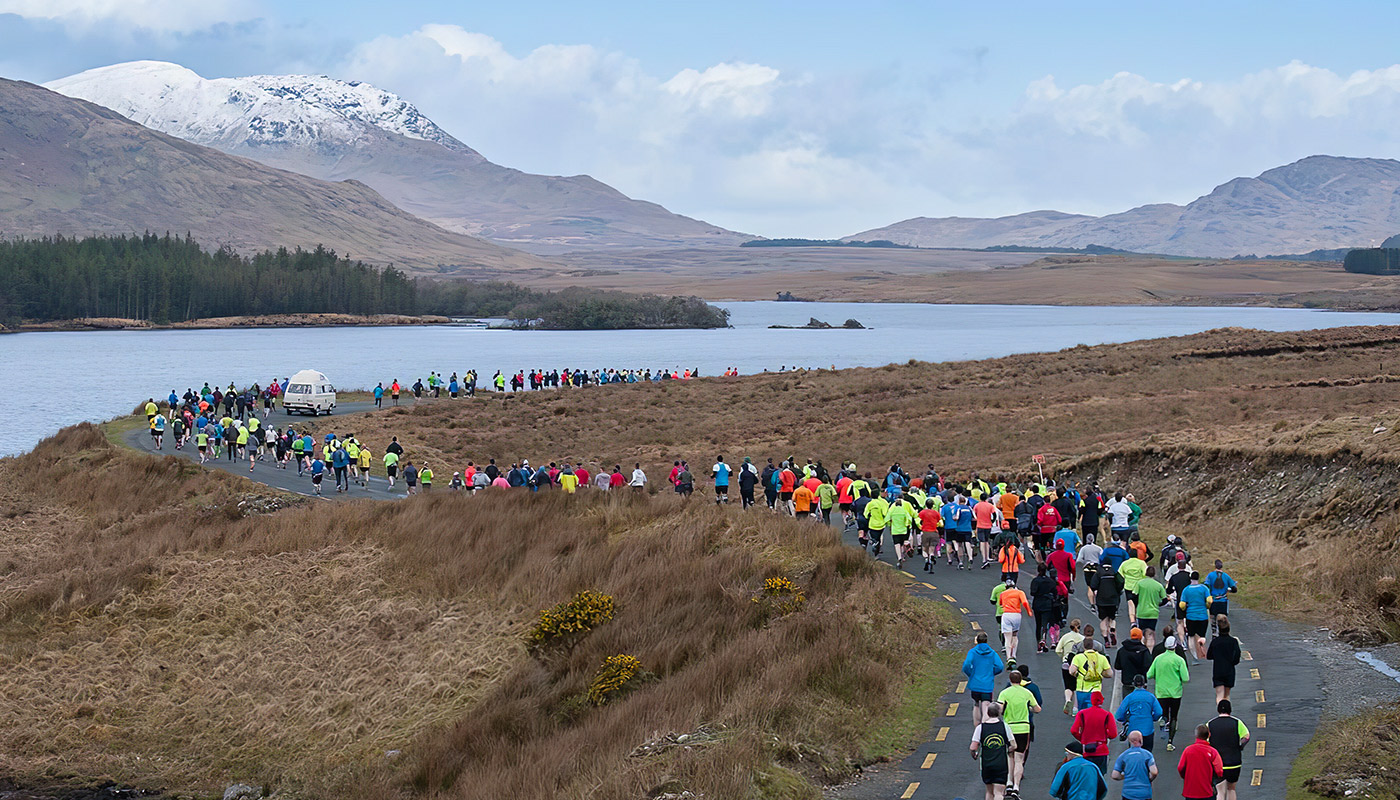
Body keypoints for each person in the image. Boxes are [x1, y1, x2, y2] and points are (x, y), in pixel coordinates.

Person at [998, 670, 1041, 795]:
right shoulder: (1027, 692)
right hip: (1023, 727)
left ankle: (1009, 782)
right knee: (1019, 758)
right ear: (1021, 679)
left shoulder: (1005, 693)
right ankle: (1017, 785)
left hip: (1009, 727)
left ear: (1010, 680)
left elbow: (1000, 709)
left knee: (1009, 755)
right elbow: (1037, 709)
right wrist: (1029, 708)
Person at [1145, 636, 1190, 751]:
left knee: (1164, 713)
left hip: (1161, 692)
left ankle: (1163, 720)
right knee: (1174, 716)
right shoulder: (1179, 660)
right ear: (1175, 646)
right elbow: (1185, 678)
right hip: (1175, 692)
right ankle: (1170, 742)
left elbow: (1149, 674)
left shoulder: (1158, 659)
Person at [1206, 700, 1251, 800]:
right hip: (1234, 762)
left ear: (1218, 710)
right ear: (1230, 710)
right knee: (1231, 789)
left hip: (1217, 763)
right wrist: (1240, 747)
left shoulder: (1210, 724)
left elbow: (1205, 741)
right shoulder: (1236, 722)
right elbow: (1246, 736)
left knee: (1220, 790)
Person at [970, 701, 1015, 800]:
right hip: (1001, 764)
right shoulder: (1005, 726)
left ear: (988, 713)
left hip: (986, 764)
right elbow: (1013, 745)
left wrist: (974, 754)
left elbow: (973, 747)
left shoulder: (980, 728)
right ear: (999, 713)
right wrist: (1008, 750)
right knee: (999, 792)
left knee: (989, 791)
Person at [961, 632, 1005, 726]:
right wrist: (992, 672)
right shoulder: (992, 653)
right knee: (986, 705)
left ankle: (977, 727)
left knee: (976, 704)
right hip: (987, 684)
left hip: (975, 683)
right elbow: (1000, 666)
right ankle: (985, 726)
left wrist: (971, 674)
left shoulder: (972, 652)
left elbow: (966, 664)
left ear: (977, 641)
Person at [1070, 689, 1118, 774]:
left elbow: (1074, 730)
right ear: (1102, 701)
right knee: (1100, 775)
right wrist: (1105, 735)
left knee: (1087, 774)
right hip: (1101, 750)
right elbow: (1113, 734)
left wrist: (1082, 738)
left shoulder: (1082, 714)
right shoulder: (1107, 715)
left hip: (1087, 750)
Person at [1116, 674, 1164, 752]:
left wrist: (1126, 720)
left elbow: (1119, 715)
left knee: (1133, 753)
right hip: (1147, 729)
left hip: (1133, 729)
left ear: (1133, 684)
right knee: (1147, 753)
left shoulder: (1129, 697)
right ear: (1144, 684)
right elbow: (1159, 712)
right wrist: (1153, 718)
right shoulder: (1150, 697)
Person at [1177, 725, 1224, 800]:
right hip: (1207, 791)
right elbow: (1219, 770)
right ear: (1209, 735)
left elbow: (1180, 767)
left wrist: (1185, 776)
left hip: (1190, 790)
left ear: (1196, 735)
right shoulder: (1212, 751)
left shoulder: (1188, 750)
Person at [1111, 730, 1159, 800]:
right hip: (1144, 794)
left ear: (1130, 741)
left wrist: (1124, 776)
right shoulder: (1147, 755)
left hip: (1128, 794)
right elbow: (1154, 772)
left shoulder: (1123, 756)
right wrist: (1149, 779)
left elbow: (1114, 775)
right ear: (1141, 740)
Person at [998, 578, 1032, 669]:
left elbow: (1000, 603)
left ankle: (1009, 657)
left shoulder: (1003, 594)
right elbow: (1024, 602)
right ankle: (1014, 655)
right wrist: (1029, 612)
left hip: (1006, 615)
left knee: (1007, 638)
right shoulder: (1020, 592)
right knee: (1014, 635)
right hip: (1016, 615)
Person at [1206, 616, 1242, 703]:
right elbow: (1237, 656)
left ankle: (1220, 712)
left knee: (1219, 694)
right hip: (1229, 670)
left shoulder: (1215, 641)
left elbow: (1209, 656)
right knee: (1227, 694)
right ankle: (1226, 712)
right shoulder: (1233, 641)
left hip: (1218, 670)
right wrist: (1233, 662)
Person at [1070, 640, 1112, 712]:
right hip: (1096, 690)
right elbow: (1110, 673)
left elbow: (1072, 671)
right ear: (1093, 646)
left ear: (1083, 647)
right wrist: (1101, 673)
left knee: (1083, 713)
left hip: (1082, 689)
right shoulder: (1101, 658)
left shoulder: (1078, 657)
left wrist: (1076, 674)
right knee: (1094, 712)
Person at [1179, 572, 1211, 662]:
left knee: (1191, 636)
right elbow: (1209, 600)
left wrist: (1184, 608)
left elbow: (1182, 604)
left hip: (1190, 616)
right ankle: (1201, 650)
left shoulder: (1186, 589)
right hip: (1202, 616)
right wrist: (1207, 606)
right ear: (1198, 578)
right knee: (1202, 635)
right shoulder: (1204, 588)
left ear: (1190, 578)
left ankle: (1194, 656)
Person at [1056, 619, 1086, 714]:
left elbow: (1058, 650)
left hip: (1066, 663)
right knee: (1078, 687)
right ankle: (1075, 708)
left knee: (1068, 686)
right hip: (1079, 664)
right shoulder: (1082, 638)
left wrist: (1063, 656)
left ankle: (1068, 700)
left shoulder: (1065, 637)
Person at [1134, 566, 1168, 649]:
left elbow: (1134, 596)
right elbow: (1165, 600)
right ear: (1154, 574)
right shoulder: (1158, 585)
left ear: (1146, 573)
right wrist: (1158, 604)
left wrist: (1138, 604)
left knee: (1141, 633)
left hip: (1141, 612)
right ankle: (1150, 651)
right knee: (1150, 633)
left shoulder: (1140, 583)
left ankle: (1142, 649)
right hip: (1153, 613)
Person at [1091, 562, 1123, 647]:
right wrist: (1117, 590)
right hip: (1113, 599)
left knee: (1103, 620)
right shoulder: (1114, 572)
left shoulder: (1098, 573)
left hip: (1101, 599)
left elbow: (1093, 585)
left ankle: (1106, 640)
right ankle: (1112, 630)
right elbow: (1121, 582)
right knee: (1112, 618)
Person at [1203, 560, 1239, 634]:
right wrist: (1229, 591)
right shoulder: (1226, 576)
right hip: (1223, 601)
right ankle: (1222, 633)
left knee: (1213, 618)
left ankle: (1214, 634)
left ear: (1215, 566)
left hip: (1213, 601)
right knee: (1222, 619)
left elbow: (1206, 586)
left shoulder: (1210, 575)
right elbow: (1234, 588)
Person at [1115, 627, 1154, 691]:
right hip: (1141, 682)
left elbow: (1117, 666)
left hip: (1127, 681)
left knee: (1128, 700)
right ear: (1140, 637)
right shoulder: (1144, 650)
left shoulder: (1122, 650)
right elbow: (1148, 665)